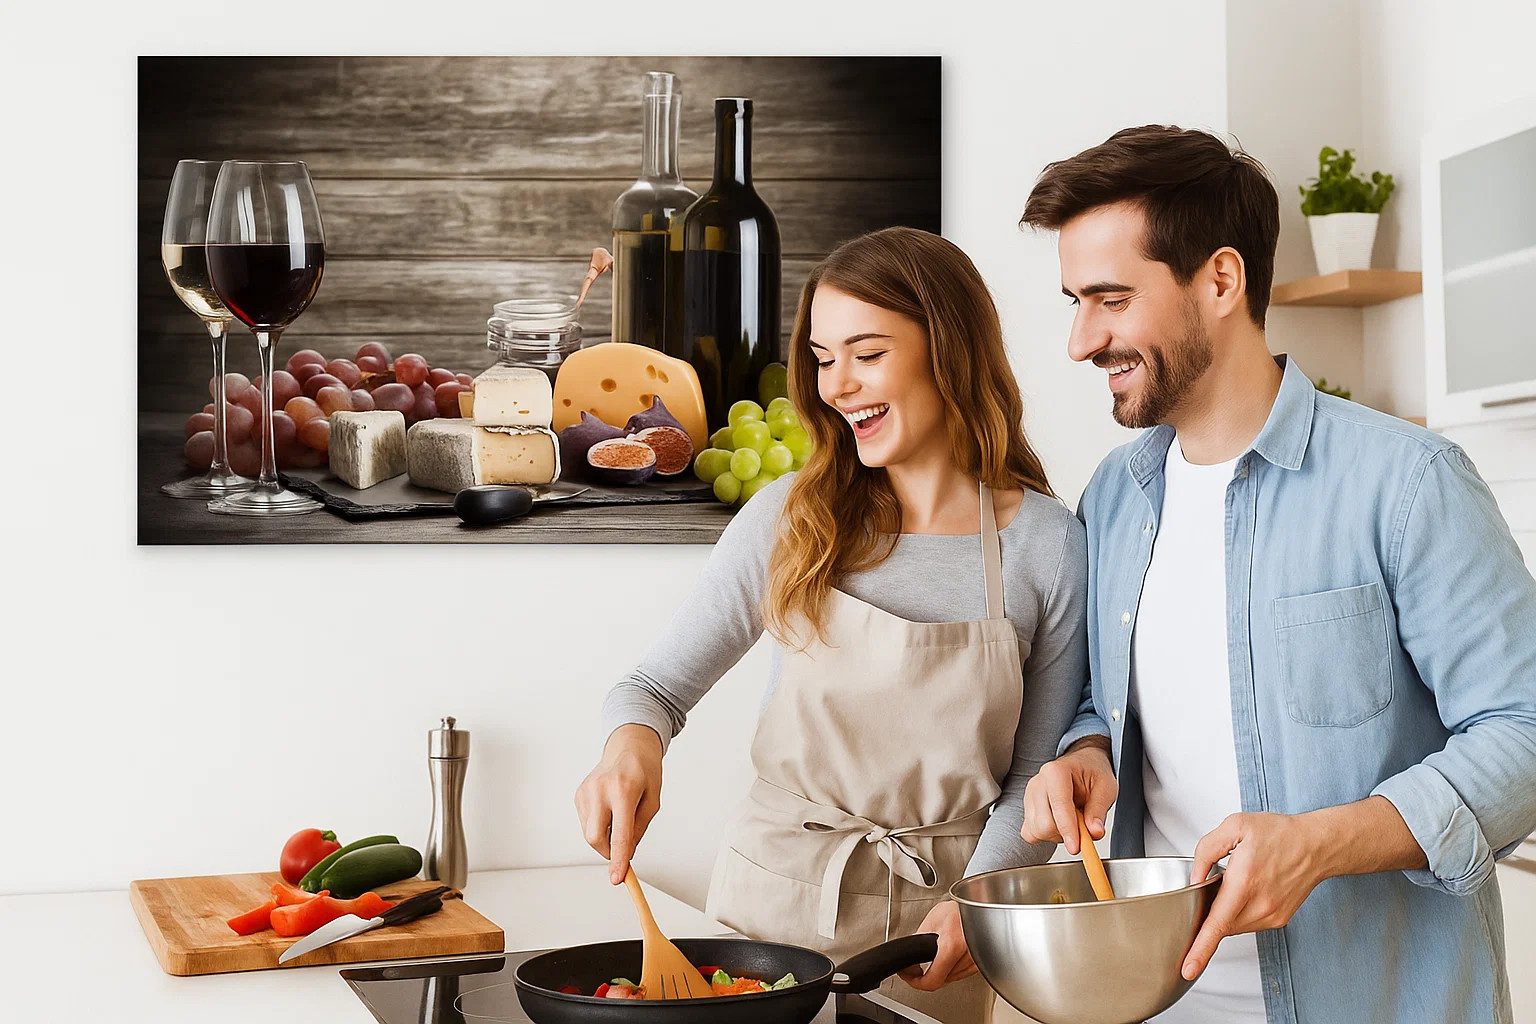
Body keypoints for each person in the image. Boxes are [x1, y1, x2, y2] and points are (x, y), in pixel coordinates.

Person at [1017, 125, 1536, 1024]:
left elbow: (1525, 731)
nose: (1079, 341)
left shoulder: (1407, 483)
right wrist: (1086, 751)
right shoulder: (1114, 496)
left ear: (1221, 280)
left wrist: (1320, 846)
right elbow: (1112, 700)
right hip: (1161, 999)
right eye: (1075, 301)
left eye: (1109, 299)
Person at [576, 226, 1088, 1024]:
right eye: (822, 356)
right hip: (770, 916)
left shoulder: (1046, 545)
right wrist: (628, 748)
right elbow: (653, 688)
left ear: (948, 350)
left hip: (943, 932)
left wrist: (976, 903)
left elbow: (1035, 781)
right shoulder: (790, 516)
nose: (838, 384)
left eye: (867, 352)